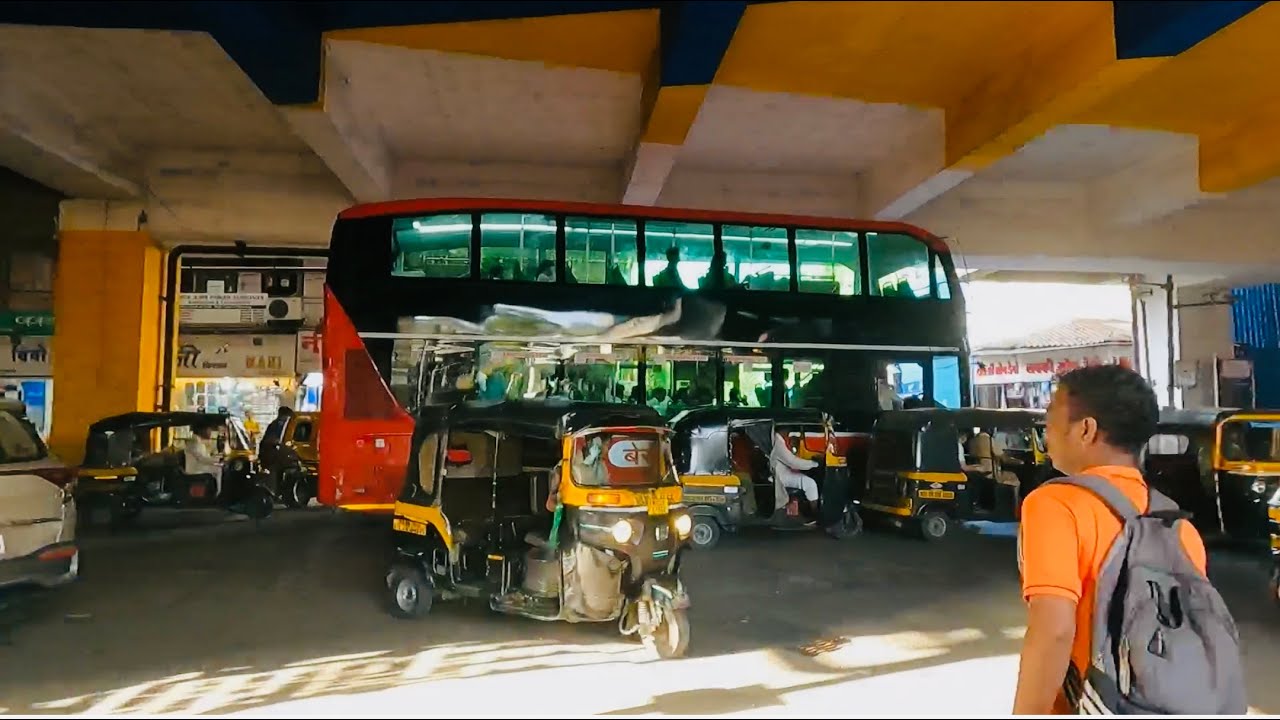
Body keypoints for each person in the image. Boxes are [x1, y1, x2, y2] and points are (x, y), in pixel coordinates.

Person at [1012, 365, 1208, 715]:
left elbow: (1054, 630)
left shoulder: (1056, 504)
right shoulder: (1178, 527)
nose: (1047, 434)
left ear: (1085, 429)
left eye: (1050, 420)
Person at [770, 430, 819, 522]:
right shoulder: (777, 442)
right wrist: (815, 464)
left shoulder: (778, 439)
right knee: (810, 483)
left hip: (782, 471)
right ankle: (815, 514)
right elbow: (793, 462)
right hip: (780, 476)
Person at [184, 422, 224, 497]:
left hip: (200, 466)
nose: (210, 432)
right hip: (195, 469)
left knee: (219, 467)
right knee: (219, 469)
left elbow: (205, 458)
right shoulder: (194, 442)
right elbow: (202, 459)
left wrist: (218, 457)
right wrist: (218, 460)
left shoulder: (198, 441)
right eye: (209, 430)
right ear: (202, 430)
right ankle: (218, 493)